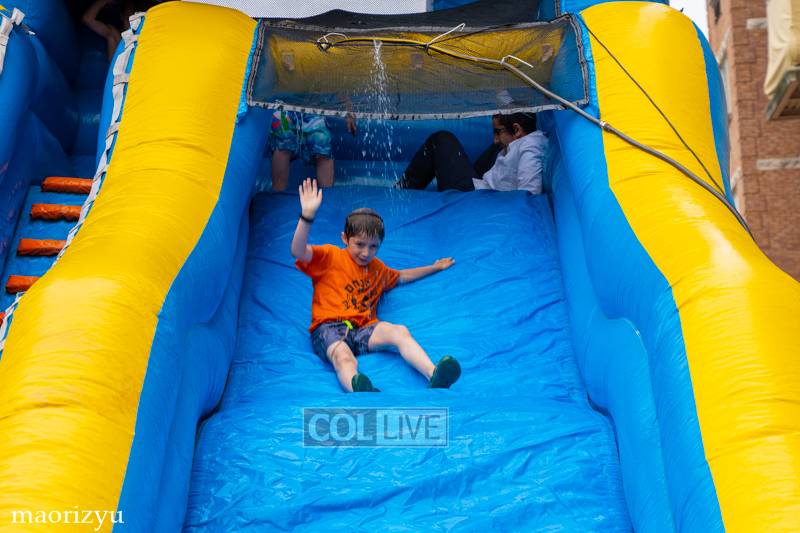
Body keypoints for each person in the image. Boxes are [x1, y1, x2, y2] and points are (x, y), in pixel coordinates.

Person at [291, 178, 461, 392]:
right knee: (343, 357)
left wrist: (435, 267)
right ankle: (358, 389)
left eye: (373, 247)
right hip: (329, 328)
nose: (366, 253)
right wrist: (306, 217)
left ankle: (434, 374)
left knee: (399, 331)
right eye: (359, 244)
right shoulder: (330, 257)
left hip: (364, 328)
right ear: (345, 238)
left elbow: (402, 276)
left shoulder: (377, 268)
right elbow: (298, 251)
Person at [396, 112, 548, 194]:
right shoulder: (521, 141)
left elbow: (530, 194)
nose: (495, 139)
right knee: (496, 147)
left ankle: (400, 192)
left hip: (471, 196)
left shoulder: (530, 147)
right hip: (484, 184)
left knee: (441, 140)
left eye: (497, 132)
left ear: (517, 129)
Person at [270, 111, 357, 191]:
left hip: (313, 113)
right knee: (284, 135)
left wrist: (348, 112)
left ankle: (327, 193)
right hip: (284, 109)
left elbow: (341, 97)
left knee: (322, 139)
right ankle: (278, 192)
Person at [82, 0, 149, 60]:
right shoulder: (114, 34)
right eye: (128, 20)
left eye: (134, 20)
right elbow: (87, 19)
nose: (131, 24)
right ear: (122, 17)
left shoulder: (145, 34)